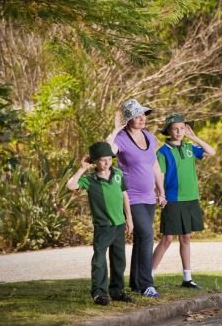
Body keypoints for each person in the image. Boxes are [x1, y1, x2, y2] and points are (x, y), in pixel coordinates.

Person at [105, 99, 166, 298]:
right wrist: (114, 130)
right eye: (137, 115)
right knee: (147, 236)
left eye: (143, 115)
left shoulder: (149, 136)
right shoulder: (121, 138)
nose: (142, 118)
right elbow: (106, 153)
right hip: (131, 196)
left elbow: (155, 166)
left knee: (142, 239)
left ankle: (137, 283)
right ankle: (147, 284)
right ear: (128, 119)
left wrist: (161, 191)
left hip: (149, 197)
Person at [151, 113, 216, 289]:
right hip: (172, 199)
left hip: (191, 199)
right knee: (167, 239)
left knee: (186, 237)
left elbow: (211, 152)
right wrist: (160, 194)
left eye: (182, 128)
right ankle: (148, 276)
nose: (179, 132)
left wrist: (194, 137)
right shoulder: (163, 152)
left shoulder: (189, 147)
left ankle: (187, 278)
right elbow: (159, 175)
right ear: (168, 131)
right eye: (175, 129)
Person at [67, 142, 134, 306]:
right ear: (94, 161)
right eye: (102, 160)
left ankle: (117, 291)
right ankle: (99, 293)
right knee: (99, 261)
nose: (107, 163)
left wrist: (129, 219)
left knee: (119, 260)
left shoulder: (118, 174)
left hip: (119, 225)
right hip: (103, 227)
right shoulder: (89, 179)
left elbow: (124, 195)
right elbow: (71, 185)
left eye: (109, 159)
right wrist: (82, 168)